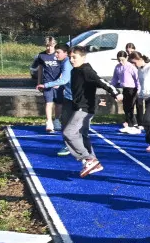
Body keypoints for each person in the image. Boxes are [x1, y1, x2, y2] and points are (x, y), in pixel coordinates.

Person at [59, 46, 118, 177]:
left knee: (68, 133)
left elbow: (100, 81)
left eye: (74, 57)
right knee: (82, 135)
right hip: (79, 107)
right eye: (70, 57)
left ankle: (89, 159)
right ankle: (93, 162)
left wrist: (115, 92)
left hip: (84, 108)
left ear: (83, 57)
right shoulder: (75, 71)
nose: (71, 60)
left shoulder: (86, 70)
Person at [32, 40, 68, 134]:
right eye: (47, 46)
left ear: (54, 45)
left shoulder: (59, 55)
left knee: (59, 103)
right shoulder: (41, 56)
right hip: (47, 82)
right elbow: (40, 70)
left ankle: (57, 120)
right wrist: (39, 82)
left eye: (51, 46)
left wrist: (59, 82)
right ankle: (49, 122)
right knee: (48, 102)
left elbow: (64, 69)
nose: (49, 48)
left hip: (58, 83)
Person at [111, 51, 140, 134]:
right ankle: (130, 125)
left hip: (133, 89)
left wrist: (139, 89)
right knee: (125, 107)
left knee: (130, 107)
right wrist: (111, 87)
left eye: (122, 60)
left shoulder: (131, 67)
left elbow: (137, 79)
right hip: (125, 89)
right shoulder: (117, 67)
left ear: (126, 58)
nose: (121, 62)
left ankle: (135, 125)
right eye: (119, 60)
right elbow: (114, 79)